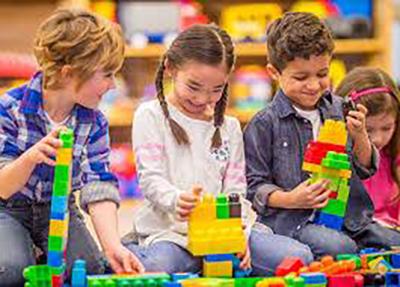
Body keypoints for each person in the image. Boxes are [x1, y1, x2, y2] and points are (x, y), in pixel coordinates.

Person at [123, 23, 313, 276]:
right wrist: (177, 200)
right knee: (158, 266)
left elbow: (235, 190)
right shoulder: (150, 115)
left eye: (216, 89)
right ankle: (133, 247)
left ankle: (204, 264)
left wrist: (239, 235)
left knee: (299, 257)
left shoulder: (229, 127)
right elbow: (150, 179)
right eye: (193, 87)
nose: (203, 99)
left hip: (224, 232)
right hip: (172, 233)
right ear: (170, 68)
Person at [0, 9, 143, 286]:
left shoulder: (94, 121)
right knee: (10, 272)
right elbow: (2, 187)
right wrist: (29, 159)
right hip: (8, 208)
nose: (113, 85)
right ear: (69, 73)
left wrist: (112, 246)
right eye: (107, 75)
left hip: (61, 208)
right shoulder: (9, 108)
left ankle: (39, 252)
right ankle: (26, 249)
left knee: (90, 269)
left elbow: (98, 185)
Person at [244, 12, 400, 259]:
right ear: (274, 72)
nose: (314, 85)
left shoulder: (341, 108)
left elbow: (366, 168)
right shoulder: (264, 124)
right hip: (296, 221)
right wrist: (291, 198)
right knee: (340, 247)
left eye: (321, 74)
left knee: (393, 241)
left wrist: (360, 136)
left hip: (351, 219)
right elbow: (254, 188)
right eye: (300, 77)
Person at [335, 67, 400, 228]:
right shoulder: (337, 158)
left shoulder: (394, 156)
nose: (378, 139)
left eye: (387, 128)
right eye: (367, 130)